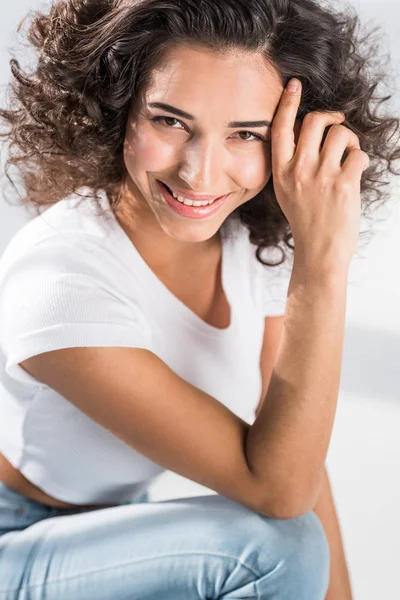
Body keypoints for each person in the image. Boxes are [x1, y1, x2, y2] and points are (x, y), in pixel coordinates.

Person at [0, 0, 398, 598]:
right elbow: (279, 490)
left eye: (246, 134)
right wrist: (323, 263)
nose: (200, 173)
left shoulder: (249, 243)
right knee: (271, 551)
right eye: (170, 121)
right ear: (118, 111)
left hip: (108, 527)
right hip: (14, 545)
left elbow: (301, 461)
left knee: (290, 533)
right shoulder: (63, 281)